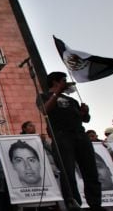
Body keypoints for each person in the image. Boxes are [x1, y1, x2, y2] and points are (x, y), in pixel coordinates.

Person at [37, 71, 102, 210]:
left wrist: (85, 112)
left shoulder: (72, 100)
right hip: (62, 137)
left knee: (91, 172)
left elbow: (85, 119)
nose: (66, 83)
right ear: (56, 82)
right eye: (64, 80)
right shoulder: (44, 96)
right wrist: (57, 93)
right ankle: (73, 204)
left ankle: (95, 204)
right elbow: (44, 110)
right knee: (68, 173)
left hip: (80, 136)